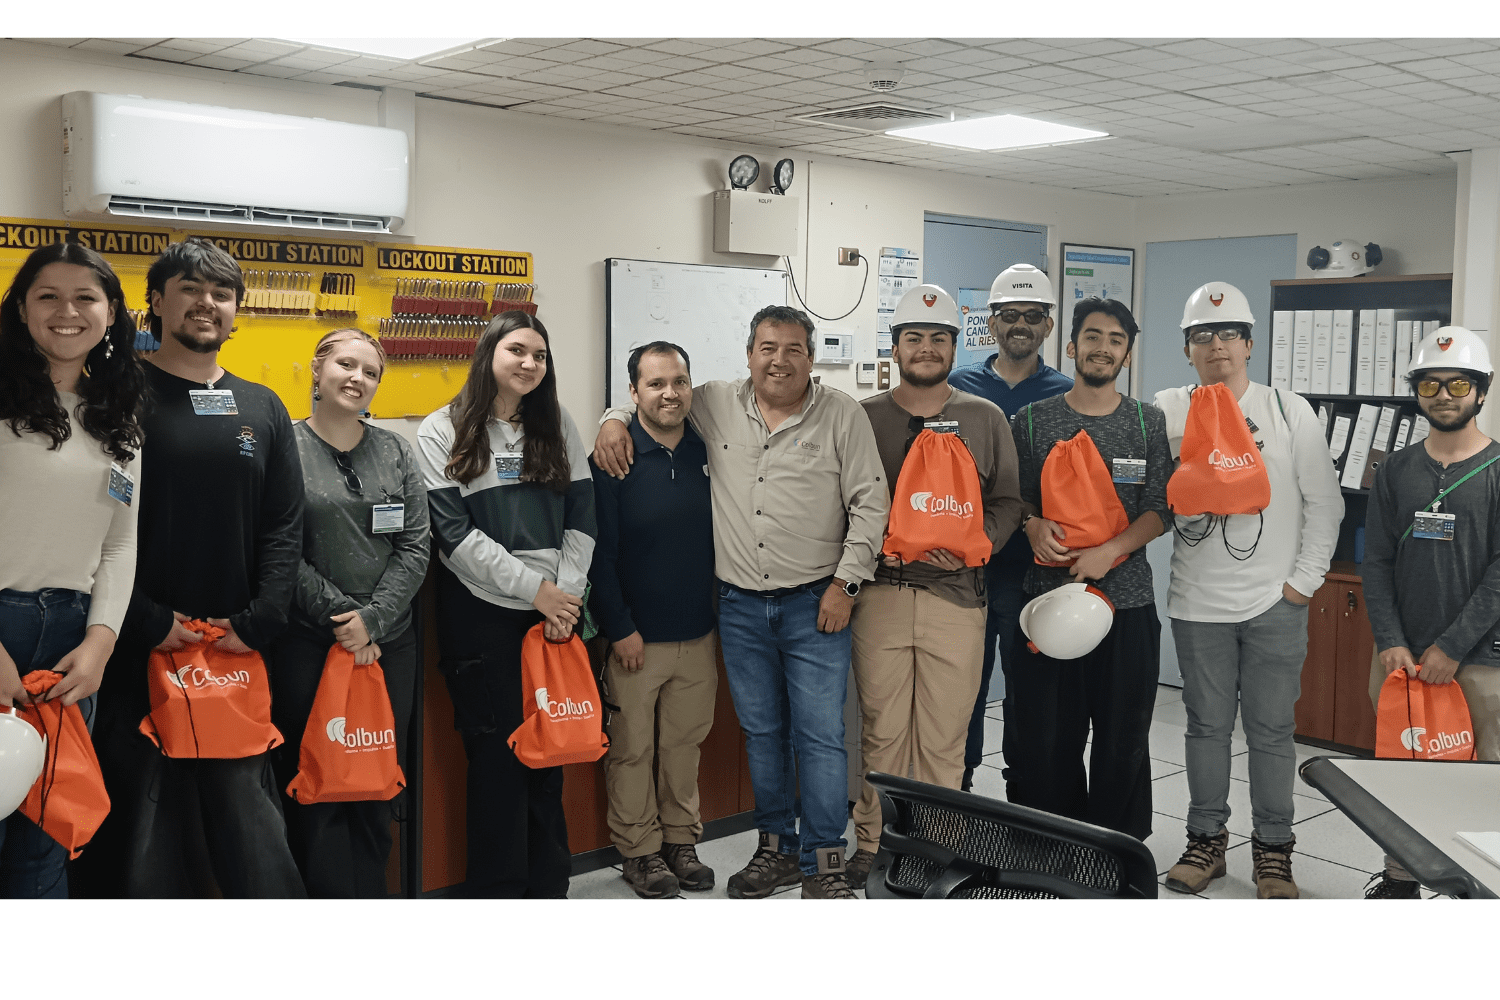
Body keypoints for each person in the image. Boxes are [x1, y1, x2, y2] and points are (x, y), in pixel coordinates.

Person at [594, 305, 888, 899]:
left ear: (812, 356)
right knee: (763, 735)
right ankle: (774, 850)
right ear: (749, 353)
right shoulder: (717, 400)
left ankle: (826, 861)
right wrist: (610, 419)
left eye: (794, 348)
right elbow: (654, 396)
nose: (779, 360)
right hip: (741, 607)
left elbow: (871, 505)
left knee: (821, 737)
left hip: (817, 605)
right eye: (767, 347)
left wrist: (846, 585)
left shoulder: (841, 415)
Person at [81, 237, 306, 897]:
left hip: (234, 651)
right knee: (144, 840)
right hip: (138, 649)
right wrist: (149, 621)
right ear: (156, 301)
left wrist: (260, 619)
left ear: (236, 310)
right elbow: (95, 524)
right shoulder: (116, 398)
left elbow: (284, 524)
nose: (208, 304)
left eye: (222, 293)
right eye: (190, 288)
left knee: (251, 835)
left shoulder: (264, 407)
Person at [1154, 282, 1343, 899]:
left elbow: (1326, 505)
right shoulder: (1166, 410)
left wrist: (1301, 584)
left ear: (1250, 344)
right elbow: (1145, 499)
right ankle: (1205, 842)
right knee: (1205, 728)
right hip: (1196, 603)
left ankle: (1273, 851)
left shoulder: (1290, 411)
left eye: (1229, 333)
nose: (1217, 346)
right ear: (1187, 348)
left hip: (1274, 604)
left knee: (1270, 732)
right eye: (1202, 336)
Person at [844, 284, 1024, 891]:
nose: (926, 348)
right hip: (881, 598)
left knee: (945, 741)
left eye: (938, 338)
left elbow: (1006, 501)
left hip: (957, 600)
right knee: (883, 734)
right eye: (914, 338)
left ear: (955, 345)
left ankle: (937, 850)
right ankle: (874, 845)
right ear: (895, 347)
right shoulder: (863, 417)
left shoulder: (984, 418)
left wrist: (978, 544)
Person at [417, 311, 596, 899]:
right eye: (517, 350)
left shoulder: (558, 424)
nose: (528, 363)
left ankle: (549, 890)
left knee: (550, 758)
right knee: (494, 763)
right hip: (481, 613)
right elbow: (454, 536)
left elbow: (583, 518)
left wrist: (563, 598)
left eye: (539, 356)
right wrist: (537, 591)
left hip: (554, 618)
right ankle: (499, 894)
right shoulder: (440, 429)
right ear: (488, 351)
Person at [0, 242, 145, 898]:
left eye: (85, 296)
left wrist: (102, 642)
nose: (68, 311)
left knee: (46, 841)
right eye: (48, 296)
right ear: (22, 309)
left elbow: (119, 545)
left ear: (111, 313)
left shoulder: (119, 421)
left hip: (69, 642)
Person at [268, 328, 430, 897]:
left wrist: (374, 621)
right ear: (316, 370)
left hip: (391, 646)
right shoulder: (282, 445)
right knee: (316, 786)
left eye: (370, 371)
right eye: (345, 364)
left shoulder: (395, 451)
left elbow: (415, 546)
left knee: (374, 781)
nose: (357, 378)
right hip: (309, 644)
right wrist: (346, 620)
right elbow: (279, 547)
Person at [1007, 296, 1170, 842]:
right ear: (1072, 345)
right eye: (1094, 337)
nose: (1104, 348)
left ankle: (1115, 853)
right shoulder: (1031, 422)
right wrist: (1032, 527)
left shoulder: (1148, 422)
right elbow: (1015, 500)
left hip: (1127, 606)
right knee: (1047, 739)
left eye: (1116, 340)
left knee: (1123, 738)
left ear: (1128, 354)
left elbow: (1160, 509)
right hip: (1047, 605)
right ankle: (1049, 850)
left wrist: (1111, 551)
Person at [1361, 325, 1500, 899]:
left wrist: (1452, 647)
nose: (1444, 394)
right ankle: (1398, 879)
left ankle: (1476, 888)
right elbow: (1376, 561)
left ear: (1482, 392)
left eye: (1458, 383)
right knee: (1400, 767)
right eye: (1430, 383)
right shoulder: (1394, 469)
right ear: (1416, 391)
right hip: (1398, 656)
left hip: (1477, 659)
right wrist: (1391, 638)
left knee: (1480, 774)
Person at [588, 341, 716, 899]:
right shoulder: (614, 457)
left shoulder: (710, 447)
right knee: (633, 748)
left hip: (699, 632)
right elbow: (599, 553)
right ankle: (638, 850)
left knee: (684, 744)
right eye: (657, 383)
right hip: (637, 637)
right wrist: (620, 628)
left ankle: (679, 840)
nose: (671, 393)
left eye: (680, 381)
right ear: (634, 392)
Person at [947, 263, 1073, 793]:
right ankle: (958, 792)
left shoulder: (1067, 394)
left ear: (1048, 325)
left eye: (1032, 315)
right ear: (990, 322)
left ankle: (1025, 803)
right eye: (1008, 315)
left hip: (1034, 576)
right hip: (964, 571)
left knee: (1030, 695)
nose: (1020, 324)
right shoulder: (958, 387)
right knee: (961, 692)